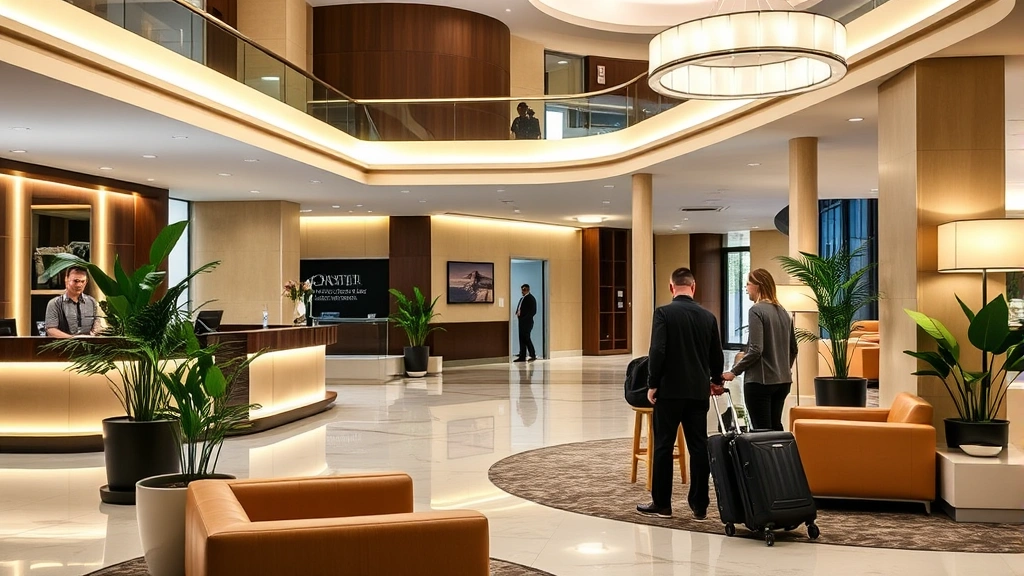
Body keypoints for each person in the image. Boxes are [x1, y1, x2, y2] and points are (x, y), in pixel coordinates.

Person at [637, 267, 724, 520]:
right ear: (693, 287)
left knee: (663, 445)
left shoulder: (663, 313)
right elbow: (715, 354)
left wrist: (652, 384)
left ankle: (662, 504)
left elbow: (658, 351)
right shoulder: (708, 317)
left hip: (669, 391)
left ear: (671, 287)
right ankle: (700, 505)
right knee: (699, 446)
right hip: (698, 392)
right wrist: (716, 380)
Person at [722, 268, 798, 432]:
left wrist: (734, 371)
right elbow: (794, 349)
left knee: (762, 431)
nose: (746, 288)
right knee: (776, 427)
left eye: (748, 284)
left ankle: (766, 459)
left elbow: (756, 349)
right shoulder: (784, 312)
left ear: (758, 286)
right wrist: (783, 369)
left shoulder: (756, 310)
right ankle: (780, 458)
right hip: (783, 382)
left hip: (760, 382)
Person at [44, 266, 102, 338]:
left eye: (82, 281)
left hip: (88, 346)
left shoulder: (91, 302)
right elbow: (51, 330)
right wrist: (74, 340)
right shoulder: (55, 303)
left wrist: (94, 336)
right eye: (76, 281)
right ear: (66, 279)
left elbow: (97, 326)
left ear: (86, 282)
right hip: (63, 346)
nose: (79, 285)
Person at [514, 284, 537, 362]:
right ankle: (522, 355)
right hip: (521, 321)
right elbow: (520, 307)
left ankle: (532, 354)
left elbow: (533, 311)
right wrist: (517, 313)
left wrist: (525, 318)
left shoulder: (531, 299)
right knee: (522, 338)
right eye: (522, 290)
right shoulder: (522, 298)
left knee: (526, 338)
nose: (522, 291)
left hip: (527, 322)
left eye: (524, 290)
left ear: (527, 290)